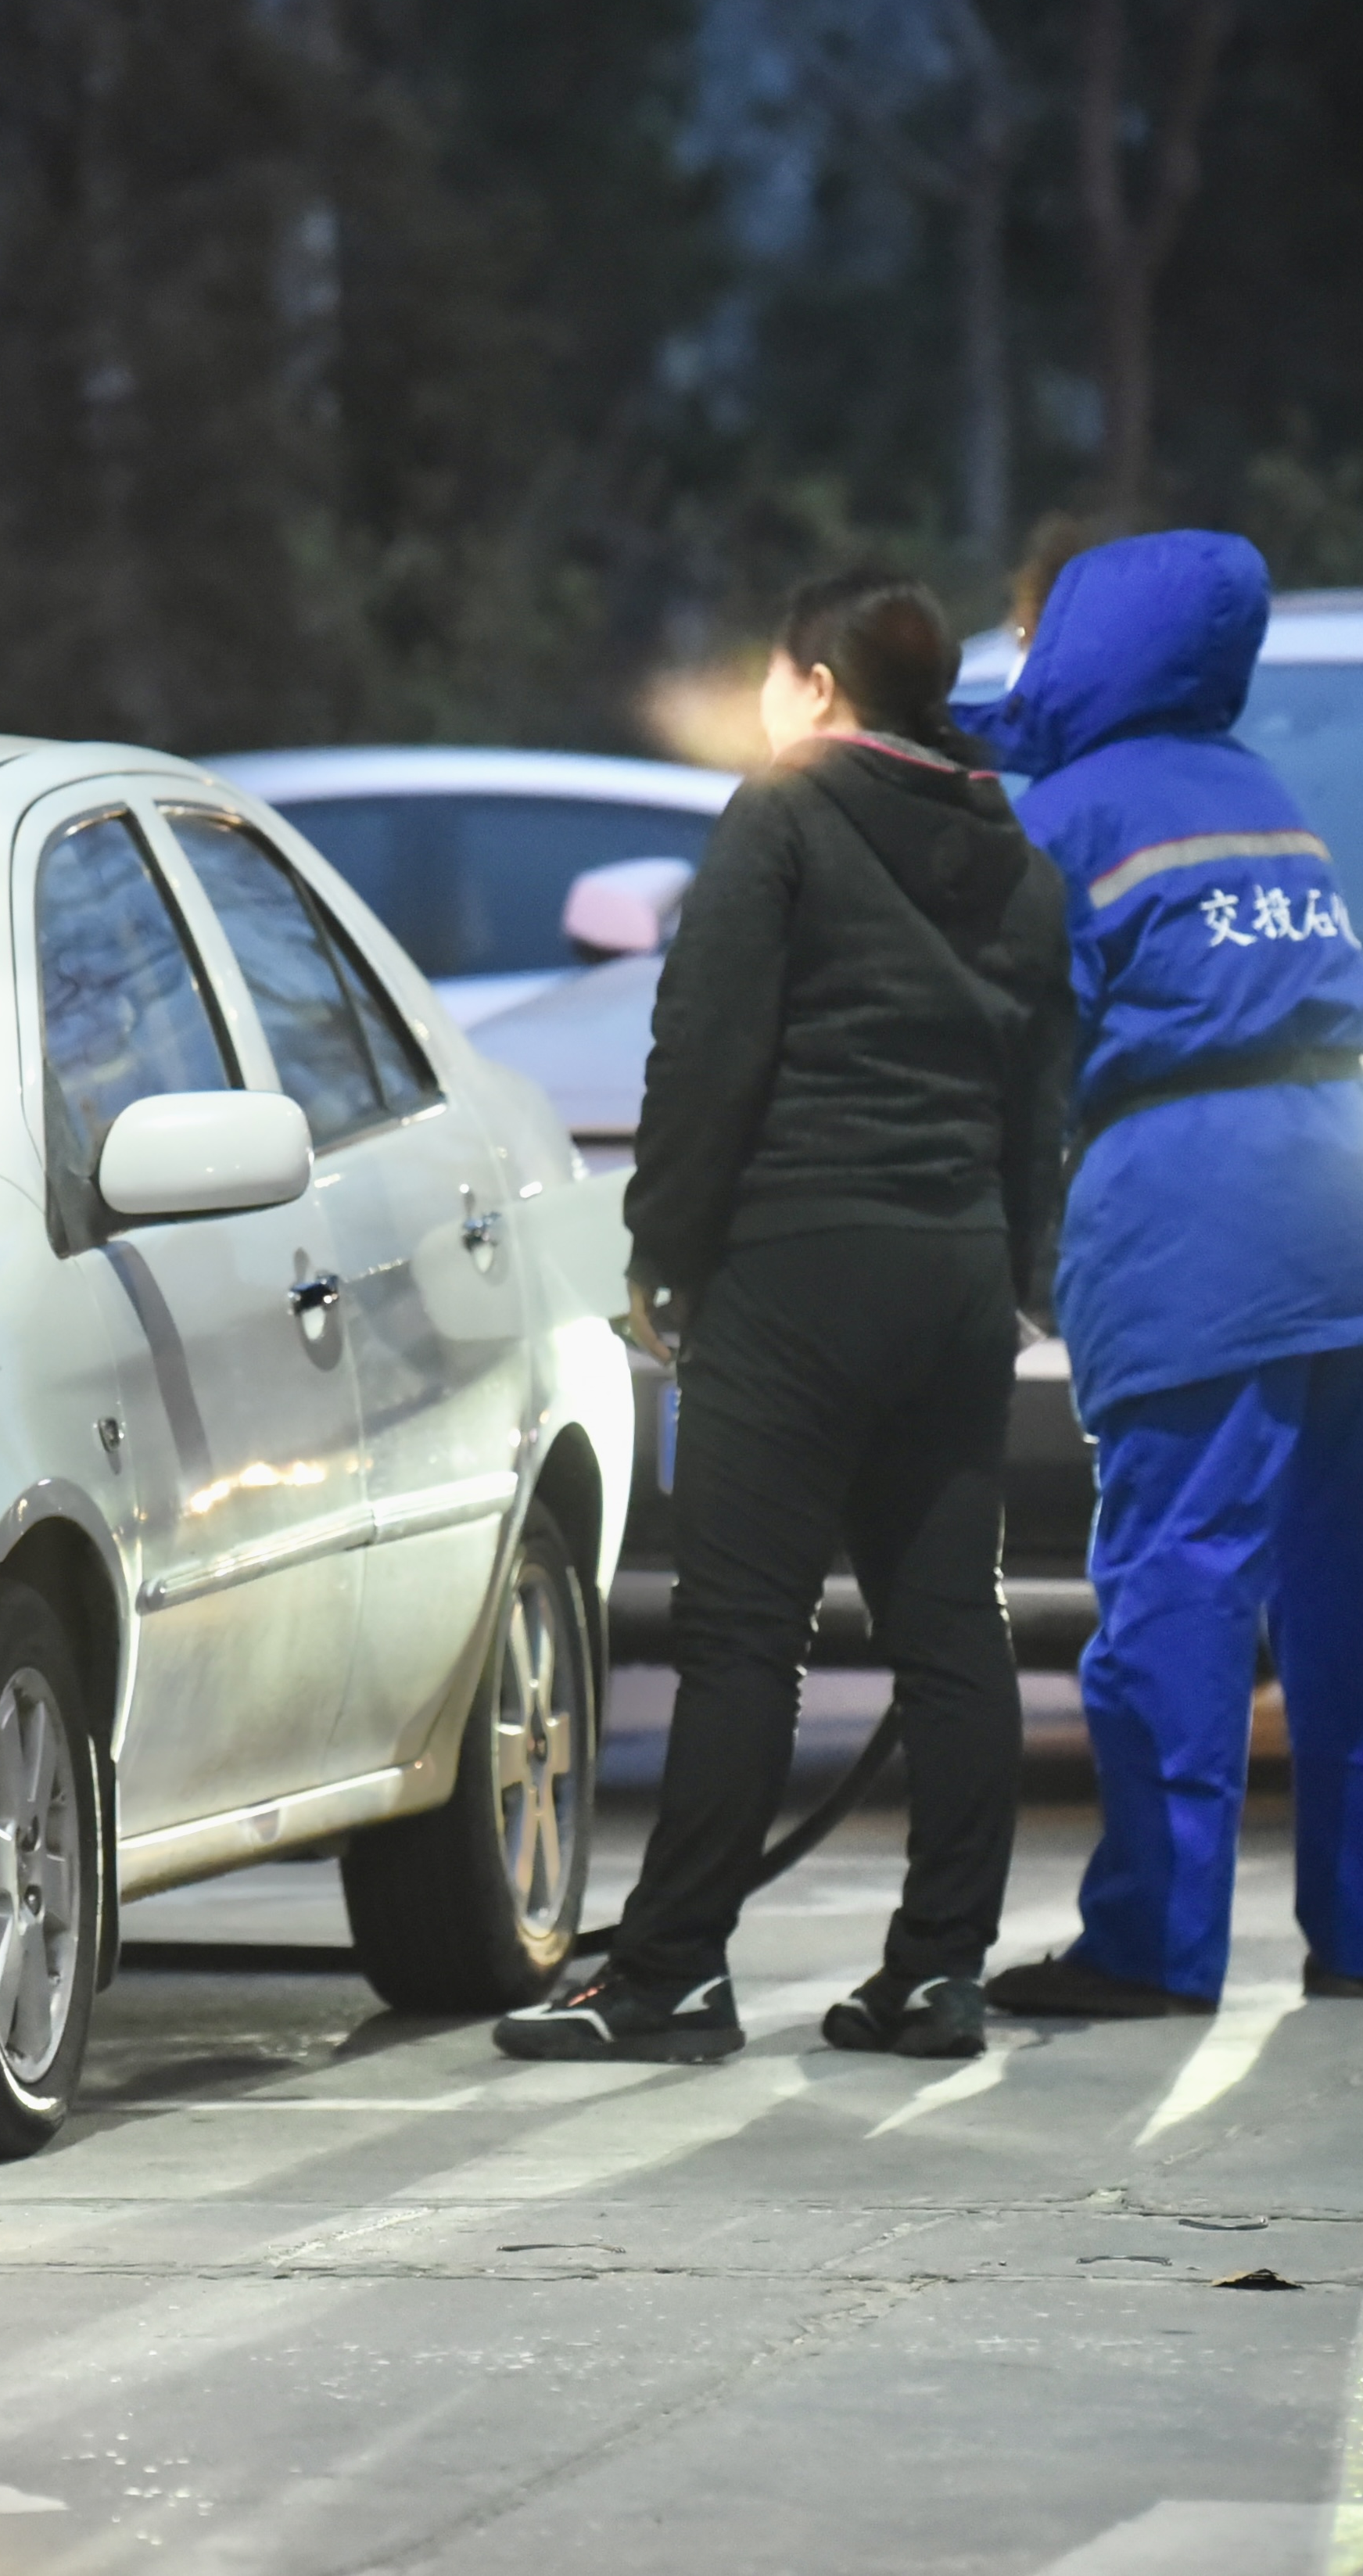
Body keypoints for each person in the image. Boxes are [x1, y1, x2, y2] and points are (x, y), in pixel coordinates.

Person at [497, 568, 1073, 2063]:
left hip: (799, 1263)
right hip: (952, 1270)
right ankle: (940, 1971)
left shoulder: (786, 815)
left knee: (745, 1637)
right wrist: (1016, 1272)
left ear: (815, 684)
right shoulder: (1014, 847)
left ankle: (672, 1973)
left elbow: (705, 1053)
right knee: (954, 1626)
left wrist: (660, 1260)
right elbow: (1041, 1083)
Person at [975, 529, 1363, 2019]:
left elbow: (1026, 1052)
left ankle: (1156, 1945)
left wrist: (1017, 1239)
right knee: (1362, 1605)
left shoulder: (1059, 815)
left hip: (1203, 1223)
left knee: (1179, 1592)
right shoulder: (1263, 797)